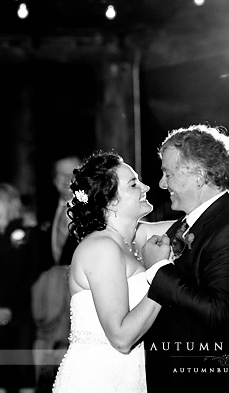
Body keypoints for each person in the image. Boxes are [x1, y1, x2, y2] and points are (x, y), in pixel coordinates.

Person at [141, 124, 229, 393]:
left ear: (198, 176)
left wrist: (158, 269)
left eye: (167, 173)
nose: (162, 183)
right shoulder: (189, 224)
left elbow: (218, 313)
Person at [52, 151, 171, 393]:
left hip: (125, 378)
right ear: (113, 201)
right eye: (134, 184)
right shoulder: (102, 248)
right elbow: (121, 338)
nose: (146, 187)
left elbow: (195, 225)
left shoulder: (132, 238)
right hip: (97, 381)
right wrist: (160, 274)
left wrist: (223, 207)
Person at [0, 183, 40, 393]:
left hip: (22, 312)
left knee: (24, 372)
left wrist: (11, 307)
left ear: (8, 204)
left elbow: (31, 273)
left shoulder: (27, 231)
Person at [31, 155, 81, 391]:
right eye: (60, 174)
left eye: (72, 172)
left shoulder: (94, 213)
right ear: (53, 180)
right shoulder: (42, 212)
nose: (66, 179)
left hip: (78, 299)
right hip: (48, 304)